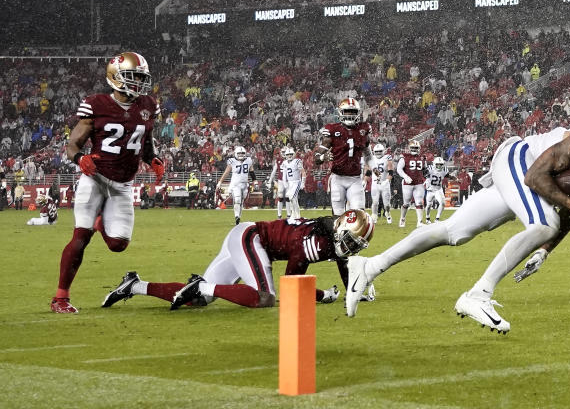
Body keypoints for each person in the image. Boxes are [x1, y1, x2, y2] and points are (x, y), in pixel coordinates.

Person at [343, 114, 570, 334]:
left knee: (453, 232)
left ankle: (369, 267)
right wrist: (566, 207)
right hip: (520, 159)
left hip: (534, 184)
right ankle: (478, 294)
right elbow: (536, 176)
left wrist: (545, 251)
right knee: (543, 222)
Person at [51, 52, 164, 313]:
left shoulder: (147, 105)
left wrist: (154, 159)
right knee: (81, 236)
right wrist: (80, 159)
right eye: (133, 77)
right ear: (116, 77)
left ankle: (101, 222)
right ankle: (60, 298)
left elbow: (146, 142)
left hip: (123, 184)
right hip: (95, 178)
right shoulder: (96, 104)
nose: (138, 83)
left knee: (118, 244)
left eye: (141, 78)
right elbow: (72, 145)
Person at [101, 210, 375, 310]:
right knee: (265, 298)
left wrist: (354, 290)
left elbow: (342, 259)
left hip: (247, 237)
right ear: (338, 231)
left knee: (199, 302)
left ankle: (135, 285)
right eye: (349, 240)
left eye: (356, 245)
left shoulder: (330, 233)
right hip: (252, 238)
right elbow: (292, 287)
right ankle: (201, 285)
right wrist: (323, 295)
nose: (349, 248)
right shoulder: (312, 244)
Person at [316, 98, 371, 215]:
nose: (350, 115)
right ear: (341, 112)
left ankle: (355, 234)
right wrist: (322, 158)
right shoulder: (332, 129)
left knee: (359, 214)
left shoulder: (363, 129)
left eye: (353, 112)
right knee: (338, 215)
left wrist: (373, 167)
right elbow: (316, 158)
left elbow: (368, 153)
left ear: (358, 113)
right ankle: (340, 234)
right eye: (347, 112)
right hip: (338, 179)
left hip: (355, 179)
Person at [217, 145, 255, 226]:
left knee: (241, 202)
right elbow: (226, 172)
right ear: (235, 153)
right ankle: (236, 216)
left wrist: (255, 181)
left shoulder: (248, 160)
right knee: (237, 200)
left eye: (242, 153)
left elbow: (251, 171)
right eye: (239, 153)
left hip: (244, 184)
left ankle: (238, 218)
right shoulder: (232, 161)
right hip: (235, 184)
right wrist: (220, 181)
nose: (241, 155)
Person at [396, 139, 428, 227]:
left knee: (419, 202)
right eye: (413, 148)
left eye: (416, 148)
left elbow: (425, 170)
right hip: (408, 184)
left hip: (419, 183)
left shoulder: (422, 157)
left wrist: (427, 178)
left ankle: (420, 222)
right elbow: (399, 169)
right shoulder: (405, 157)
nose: (414, 149)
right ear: (409, 148)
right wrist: (405, 176)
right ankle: (402, 218)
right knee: (406, 203)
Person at [276, 146, 305, 221]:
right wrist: (285, 182)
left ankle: (297, 215)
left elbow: (303, 172)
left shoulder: (297, 161)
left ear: (293, 154)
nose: (289, 156)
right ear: (285, 155)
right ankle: (294, 214)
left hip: (296, 182)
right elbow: (284, 173)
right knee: (292, 199)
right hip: (290, 183)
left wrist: (303, 182)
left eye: (291, 154)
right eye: (288, 154)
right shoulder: (285, 163)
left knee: (292, 198)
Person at [368, 143, 393, 224]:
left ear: (383, 151)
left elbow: (391, 171)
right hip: (375, 183)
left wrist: (387, 180)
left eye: (380, 151)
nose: (378, 153)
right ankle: (374, 216)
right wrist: (365, 180)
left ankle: (388, 213)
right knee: (375, 202)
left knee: (387, 205)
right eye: (376, 151)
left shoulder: (387, 157)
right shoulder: (372, 158)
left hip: (384, 183)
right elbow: (368, 170)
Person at [424, 156, 449, 223]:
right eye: (437, 164)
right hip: (430, 189)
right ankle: (427, 217)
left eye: (440, 164)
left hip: (438, 189)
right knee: (429, 205)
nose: (439, 166)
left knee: (442, 203)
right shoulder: (429, 168)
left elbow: (447, 177)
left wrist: (455, 178)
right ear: (434, 164)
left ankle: (437, 218)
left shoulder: (445, 170)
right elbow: (423, 174)